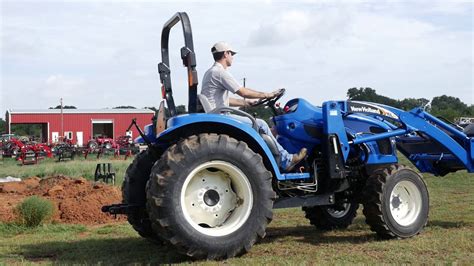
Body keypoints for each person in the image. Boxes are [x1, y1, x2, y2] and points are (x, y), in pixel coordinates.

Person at [200, 41, 307, 171]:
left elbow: (226, 99)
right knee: (261, 124)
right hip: (221, 116)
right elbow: (242, 91)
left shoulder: (210, 72)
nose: (232, 57)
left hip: (217, 114)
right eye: (231, 54)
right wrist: (267, 95)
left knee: (259, 124)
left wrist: (247, 103)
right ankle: (287, 160)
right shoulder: (220, 72)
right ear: (225, 54)